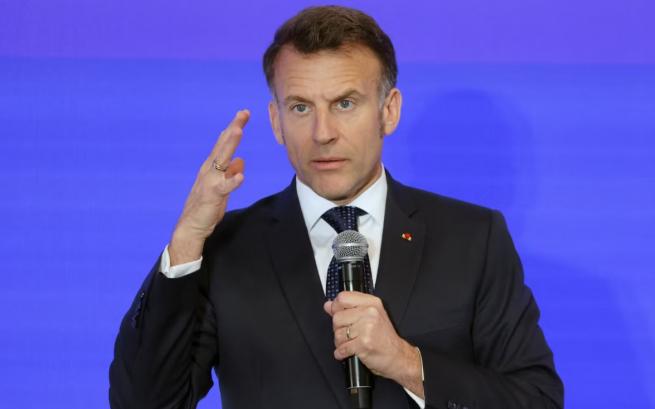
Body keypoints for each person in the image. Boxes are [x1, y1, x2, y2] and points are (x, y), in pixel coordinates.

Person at [109, 6, 563, 409]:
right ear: (276, 121)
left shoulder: (472, 238)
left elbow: (537, 401)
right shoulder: (225, 247)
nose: (323, 133)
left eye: (345, 103)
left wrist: (408, 364)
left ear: (389, 111)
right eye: (301, 108)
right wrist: (187, 239)